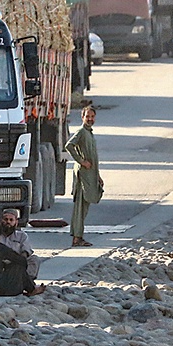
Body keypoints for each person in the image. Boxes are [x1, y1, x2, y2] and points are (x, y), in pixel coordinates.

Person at [65, 105, 104, 247]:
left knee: (84, 208)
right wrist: (81, 161)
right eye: (87, 116)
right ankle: (77, 238)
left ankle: (78, 236)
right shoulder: (81, 132)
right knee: (80, 208)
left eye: (92, 117)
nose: (90, 119)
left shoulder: (89, 133)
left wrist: (97, 176)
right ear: (82, 117)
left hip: (90, 176)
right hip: (83, 176)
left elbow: (93, 157)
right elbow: (69, 146)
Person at [0, 208, 41, 280]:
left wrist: (18, 260)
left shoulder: (22, 235)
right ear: (1, 221)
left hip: (17, 263)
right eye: (6, 219)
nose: (8, 222)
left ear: (16, 222)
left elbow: (26, 251)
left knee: (34, 259)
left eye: (11, 220)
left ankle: (27, 280)